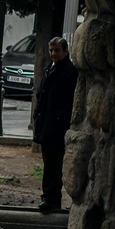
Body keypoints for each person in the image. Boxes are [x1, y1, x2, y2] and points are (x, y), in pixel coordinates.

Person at [32, 36, 78, 212]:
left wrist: (58, 118)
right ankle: (49, 198)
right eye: (51, 50)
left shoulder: (69, 71)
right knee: (49, 163)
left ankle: (51, 199)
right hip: (47, 124)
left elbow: (70, 100)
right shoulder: (50, 68)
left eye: (57, 50)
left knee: (54, 165)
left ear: (65, 51)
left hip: (56, 127)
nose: (53, 54)